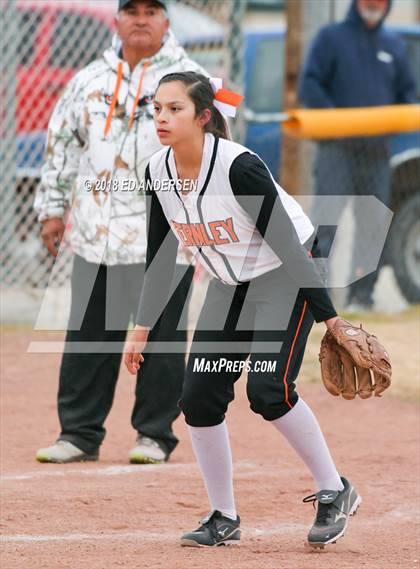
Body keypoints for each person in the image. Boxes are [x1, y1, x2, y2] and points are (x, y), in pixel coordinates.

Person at [124, 72, 362, 549]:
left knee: (269, 389)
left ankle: (335, 490)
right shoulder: (157, 173)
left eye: (176, 109)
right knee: (198, 397)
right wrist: (141, 327)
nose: (163, 119)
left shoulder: (239, 168)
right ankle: (223, 516)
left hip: (284, 270)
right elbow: (159, 254)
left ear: (204, 117)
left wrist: (331, 319)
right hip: (231, 281)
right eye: (158, 110)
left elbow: (294, 254)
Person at [34, 0, 206, 464]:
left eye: (153, 10)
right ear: (117, 20)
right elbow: (62, 147)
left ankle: (153, 434)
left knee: (163, 338)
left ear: (167, 20)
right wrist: (52, 209)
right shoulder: (87, 80)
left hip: (166, 232)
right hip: (97, 231)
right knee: (90, 333)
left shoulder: (192, 80)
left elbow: (216, 149)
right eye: (132, 10)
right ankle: (79, 434)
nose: (142, 19)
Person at [298, 0, 416, 311]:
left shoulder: (394, 46)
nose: (374, 4)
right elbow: (309, 84)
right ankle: (315, 296)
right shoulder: (331, 38)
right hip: (336, 149)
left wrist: (391, 123)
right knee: (325, 223)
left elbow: (408, 94)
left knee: (373, 225)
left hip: (377, 153)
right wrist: (337, 121)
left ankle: (362, 296)